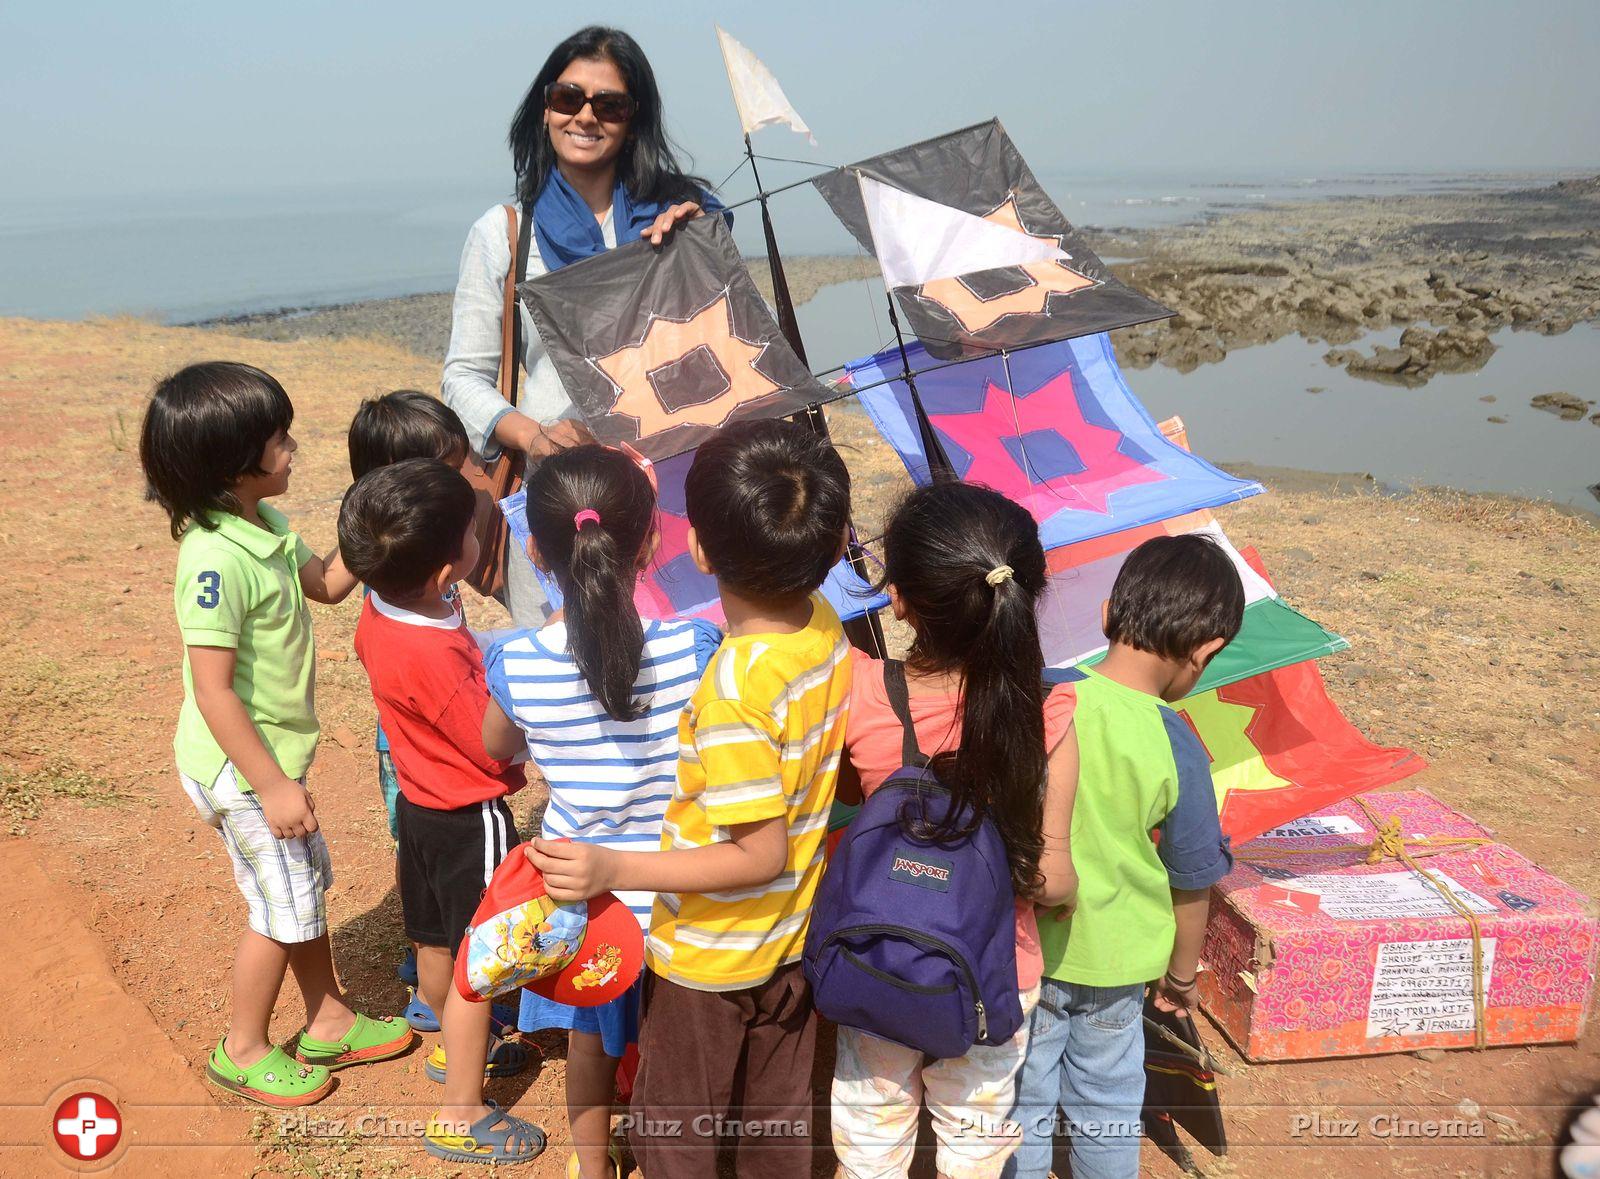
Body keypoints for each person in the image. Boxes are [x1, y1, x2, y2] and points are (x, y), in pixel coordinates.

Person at [528, 420, 853, 1179]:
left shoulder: (736, 689)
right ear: (836, 543)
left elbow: (757, 850)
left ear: (699, 550)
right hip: (789, 941)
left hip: (709, 960)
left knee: (677, 1133)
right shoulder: (823, 629)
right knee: (774, 1122)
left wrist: (611, 864)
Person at [139, 361, 412, 1108]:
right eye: (278, 438)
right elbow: (213, 689)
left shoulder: (263, 526)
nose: (294, 447)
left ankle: (326, 1018)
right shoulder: (214, 560)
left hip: (271, 762)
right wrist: (270, 784)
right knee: (279, 909)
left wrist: (375, 522)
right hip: (242, 769)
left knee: (303, 889)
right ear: (233, 465)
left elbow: (324, 583)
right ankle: (243, 1047)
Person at [479, 444, 721, 1179]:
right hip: (688, 897)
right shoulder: (696, 645)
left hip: (591, 907)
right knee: (686, 1052)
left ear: (534, 547)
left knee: (591, 1048)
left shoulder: (515, 662)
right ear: (651, 541)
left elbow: (497, 747)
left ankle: (592, 1168)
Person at [829, 482, 1080, 1179]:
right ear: (1026, 592)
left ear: (900, 599)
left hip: (880, 953)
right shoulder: (1052, 709)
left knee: (872, 1127)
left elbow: (856, 799)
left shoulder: (859, 689)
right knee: (974, 1133)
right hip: (996, 967)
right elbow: (1051, 878)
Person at [442, 24, 725, 624]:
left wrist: (697, 244)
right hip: (559, 496)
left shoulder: (677, 221)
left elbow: (721, 352)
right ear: (545, 107)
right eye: (569, 97)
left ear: (634, 117)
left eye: (609, 104)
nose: (586, 117)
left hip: (673, 492)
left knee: (682, 670)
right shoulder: (504, 233)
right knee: (564, 675)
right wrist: (535, 437)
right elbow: (463, 379)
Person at [1008, 534, 1241, 1179]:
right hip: (1117, 968)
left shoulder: (1045, 698)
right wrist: (1182, 977)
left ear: (1107, 613)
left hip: (1028, 951)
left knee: (1022, 1100)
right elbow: (1192, 880)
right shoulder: (1177, 743)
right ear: (1207, 652)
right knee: (1107, 1100)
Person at [339, 459, 541, 1165]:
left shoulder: (384, 605)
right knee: (480, 961)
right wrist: (530, 707)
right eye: (472, 530)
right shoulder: (433, 652)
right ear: (445, 567)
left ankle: (452, 1046)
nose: (482, 535)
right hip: (468, 812)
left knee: (434, 937)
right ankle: (461, 1105)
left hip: (419, 806)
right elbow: (489, 745)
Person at [346, 390, 469, 1006]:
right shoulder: (407, 563)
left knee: (418, 842)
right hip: (420, 734)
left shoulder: (405, 567)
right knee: (433, 851)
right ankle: (441, 987)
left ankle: (425, 958)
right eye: (445, 474)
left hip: (406, 725)